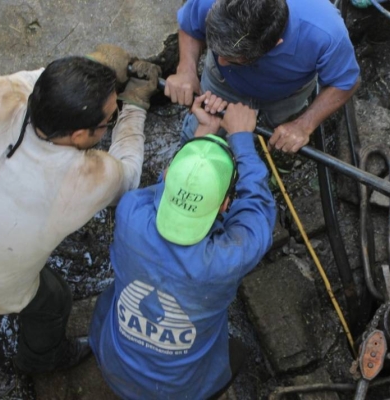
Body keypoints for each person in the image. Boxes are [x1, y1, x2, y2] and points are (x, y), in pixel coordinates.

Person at [0, 45, 161, 374]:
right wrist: (135, 106)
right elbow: (128, 175)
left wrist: (93, 66)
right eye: (107, 120)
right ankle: (42, 361)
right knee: (53, 301)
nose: (109, 122)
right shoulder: (87, 178)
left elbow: (42, 83)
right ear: (81, 134)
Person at [89, 94, 276, 399]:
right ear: (226, 205)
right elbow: (257, 210)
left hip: (114, 367)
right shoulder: (225, 260)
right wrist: (242, 140)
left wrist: (202, 133)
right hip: (179, 392)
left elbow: (167, 186)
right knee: (237, 352)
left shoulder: (130, 214)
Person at [164, 0, 360, 153]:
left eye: (233, 59)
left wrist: (303, 125)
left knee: (279, 139)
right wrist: (186, 71)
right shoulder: (211, 1)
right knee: (197, 132)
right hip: (222, 86)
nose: (220, 62)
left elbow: (345, 82)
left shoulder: (325, 32)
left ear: (276, 44)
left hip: (286, 96)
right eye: (218, 51)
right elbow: (190, 26)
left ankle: (268, 152)